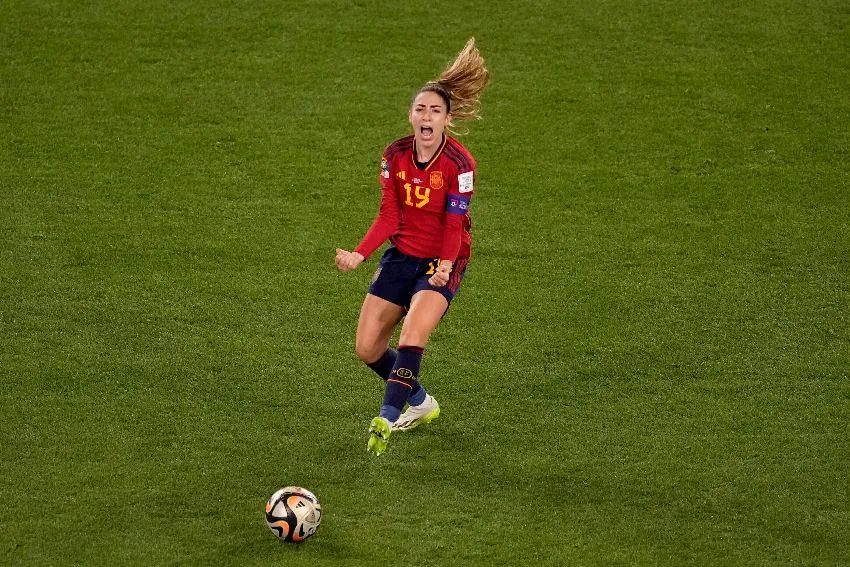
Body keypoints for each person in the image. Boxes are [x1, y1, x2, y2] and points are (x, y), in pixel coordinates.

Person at [335, 38, 490, 456]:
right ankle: (421, 403)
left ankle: (386, 415)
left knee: (411, 336)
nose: (426, 116)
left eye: (435, 111)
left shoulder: (460, 165)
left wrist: (443, 265)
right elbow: (389, 216)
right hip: (402, 255)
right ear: (410, 116)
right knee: (367, 348)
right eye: (420, 109)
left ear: (447, 119)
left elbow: (454, 224)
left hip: (444, 258)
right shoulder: (394, 155)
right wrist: (359, 254)